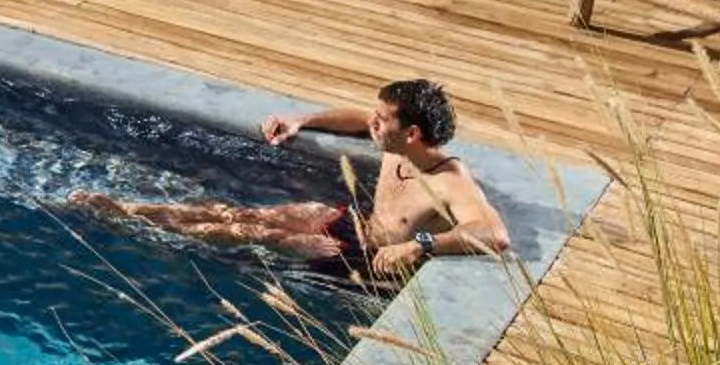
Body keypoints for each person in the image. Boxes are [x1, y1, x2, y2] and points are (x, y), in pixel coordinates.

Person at [72, 79, 511, 284]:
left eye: (381, 120)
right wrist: (300, 120)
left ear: (411, 133)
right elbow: (357, 118)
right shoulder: (397, 144)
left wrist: (419, 245)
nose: (370, 123)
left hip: (363, 257)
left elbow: (493, 234)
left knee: (250, 231)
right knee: (242, 215)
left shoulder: (449, 179)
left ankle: (131, 222)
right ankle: (133, 210)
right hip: (348, 222)